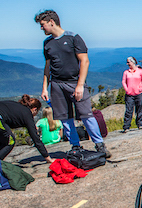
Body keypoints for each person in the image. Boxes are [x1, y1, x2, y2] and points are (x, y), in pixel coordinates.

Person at [34, 10, 109, 157]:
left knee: (86, 114)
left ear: (51, 22)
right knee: (65, 117)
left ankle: (99, 144)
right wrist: (45, 87)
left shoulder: (74, 38)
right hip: (57, 84)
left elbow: (84, 61)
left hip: (75, 82)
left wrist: (80, 85)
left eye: (43, 25)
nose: (41, 28)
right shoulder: (47, 43)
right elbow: (47, 66)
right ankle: (75, 146)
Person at [0, 95, 52, 163]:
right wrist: (48, 158)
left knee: (3, 138)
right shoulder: (27, 113)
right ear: (35, 109)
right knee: (10, 141)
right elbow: (35, 138)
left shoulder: (14, 105)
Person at [121, 56, 142, 132]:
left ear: (133, 62)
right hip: (129, 94)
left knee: (140, 109)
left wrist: (141, 88)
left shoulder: (140, 71)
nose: (127, 64)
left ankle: (140, 124)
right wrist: (127, 89)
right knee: (129, 110)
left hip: (139, 93)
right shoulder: (126, 72)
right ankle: (126, 126)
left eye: (129, 62)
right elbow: (123, 81)